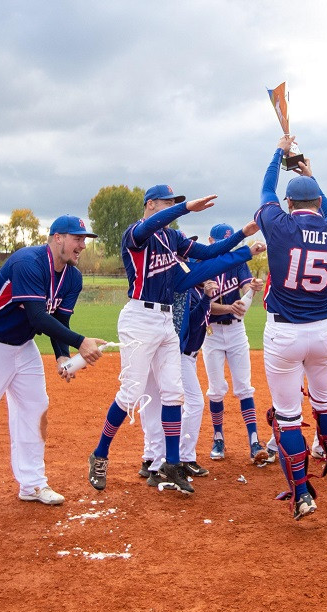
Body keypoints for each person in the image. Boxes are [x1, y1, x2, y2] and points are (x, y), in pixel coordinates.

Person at [88, 185, 257, 494]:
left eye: (174, 203)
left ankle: (171, 465)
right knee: (130, 393)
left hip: (166, 320)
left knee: (173, 394)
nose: (171, 207)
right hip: (139, 315)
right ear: (150, 204)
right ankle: (100, 455)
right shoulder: (136, 234)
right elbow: (150, 225)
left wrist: (243, 238)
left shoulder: (173, 239)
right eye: (166, 202)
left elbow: (207, 256)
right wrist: (186, 208)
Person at [0, 215, 105, 511]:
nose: (82, 245)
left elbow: (59, 318)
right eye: (77, 238)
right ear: (57, 238)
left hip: (23, 345)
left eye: (84, 239)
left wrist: (63, 355)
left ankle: (32, 483)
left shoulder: (73, 277)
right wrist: (81, 342)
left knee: (36, 408)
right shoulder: (27, 262)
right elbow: (37, 317)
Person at [257, 135, 327, 520]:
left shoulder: (279, 225)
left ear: (290, 204)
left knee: (288, 415)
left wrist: (277, 154)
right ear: (317, 202)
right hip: (323, 329)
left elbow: (266, 191)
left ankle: (301, 493)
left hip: (284, 331)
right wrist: (313, 177)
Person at [139, 243, 266, 487]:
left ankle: (161, 460)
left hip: (180, 354)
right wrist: (210, 300)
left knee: (157, 404)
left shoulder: (194, 290)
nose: (191, 262)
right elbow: (190, 322)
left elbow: (198, 317)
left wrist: (207, 298)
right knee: (176, 403)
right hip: (174, 354)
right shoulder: (182, 287)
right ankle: (164, 461)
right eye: (185, 258)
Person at [201, 223, 268, 464]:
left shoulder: (238, 262)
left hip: (236, 332)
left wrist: (252, 288)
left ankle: (254, 441)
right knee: (217, 388)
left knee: (243, 387)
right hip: (211, 333)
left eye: (231, 242)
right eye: (223, 242)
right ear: (211, 241)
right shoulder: (204, 265)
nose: (228, 247)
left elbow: (244, 286)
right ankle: (218, 438)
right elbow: (204, 305)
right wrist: (230, 307)